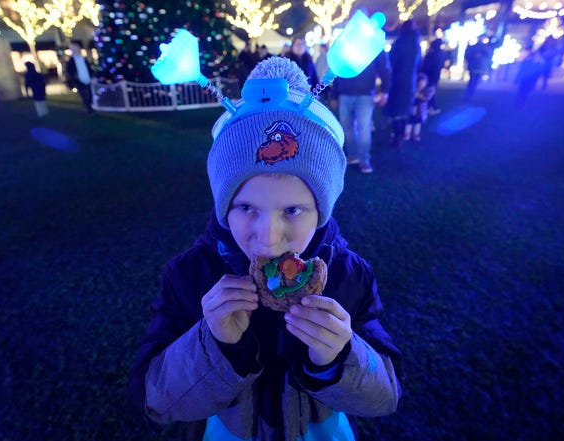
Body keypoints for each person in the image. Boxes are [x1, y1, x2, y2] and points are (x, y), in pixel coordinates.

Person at [128, 56, 403, 441]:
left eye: (293, 210)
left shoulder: (348, 275)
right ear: (223, 206)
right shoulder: (190, 276)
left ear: (321, 212)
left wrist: (340, 357)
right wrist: (214, 344)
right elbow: (156, 400)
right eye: (246, 208)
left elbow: (385, 397)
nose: (269, 238)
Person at [331, 51, 390, 173]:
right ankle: (353, 154)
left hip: (365, 93)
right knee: (346, 126)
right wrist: (334, 94)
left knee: (364, 127)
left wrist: (385, 90)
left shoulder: (372, 44)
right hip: (345, 91)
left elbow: (384, 67)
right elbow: (337, 68)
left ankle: (364, 160)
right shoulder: (346, 44)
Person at [383, 19, 421, 148]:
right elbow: (418, 63)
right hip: (410, 82)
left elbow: (391, 62)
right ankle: (401, 135)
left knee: (396, 110)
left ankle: (397, 135)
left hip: (397, 81)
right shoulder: (416, 44)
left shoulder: (400, 43)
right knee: (405, 110)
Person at [404, 72, 435, 142]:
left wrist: (419, 96)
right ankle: (407, 134)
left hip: (420, 111)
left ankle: (416, 134)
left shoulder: (426, 91)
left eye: (423, 83)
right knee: (409, 122)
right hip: (411, 110)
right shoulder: (413, 90)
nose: (421, 85)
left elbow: (426, 98)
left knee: (418, 123)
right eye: (420, 83)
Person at [66, 43, 94, 113]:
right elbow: (69, 70)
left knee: (90, 94)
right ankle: (89, 109)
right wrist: (74, 76)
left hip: (87, 78)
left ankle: (90, 105)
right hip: (78, 80)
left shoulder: (83, 58)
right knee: (83, 95)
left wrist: (92, 76)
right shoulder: (71, 60)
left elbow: (89, 68)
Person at [420, 38, 445, 114]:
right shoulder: (441, 54)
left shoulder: (432, 55)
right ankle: (431, 107)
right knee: (431, 92)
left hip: (429, 77)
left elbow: (426, 66)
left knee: (428, 92)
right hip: (435, 77)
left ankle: (433, 107)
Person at [464, 37, 491, 102]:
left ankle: (469, 95)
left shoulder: (474, 47)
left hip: (475, 67)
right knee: (474, 81)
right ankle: (470, 95)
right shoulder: (483, 48)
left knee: (472, 81)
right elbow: (488, 56)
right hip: (477, 67)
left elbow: (467, 56)